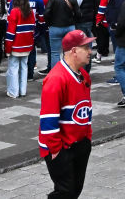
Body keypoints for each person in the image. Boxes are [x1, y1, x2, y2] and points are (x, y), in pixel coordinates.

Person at [39, 30, 94, 199]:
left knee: (75, 190)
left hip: (80, 144)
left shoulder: (84, 75)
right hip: (61, 148)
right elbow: (48, 120)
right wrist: (56, 150)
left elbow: (84, 109)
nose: (90, 51)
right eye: (85, 47)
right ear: (73, 51)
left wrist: (87, 138)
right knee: (66, 192)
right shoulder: (56, 79)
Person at [5, 0, 36, 98]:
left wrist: (7, 48)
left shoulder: (14, 11)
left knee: (13, 68)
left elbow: (10, 32)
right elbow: (33, 29)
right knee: (24, 67)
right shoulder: (30, 11)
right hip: (27, 45)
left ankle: (14, 92)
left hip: (16, 45)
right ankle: (22, 91)